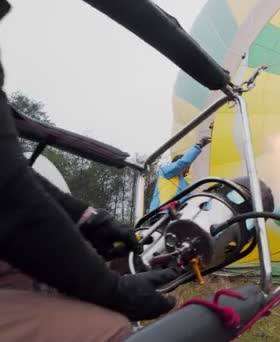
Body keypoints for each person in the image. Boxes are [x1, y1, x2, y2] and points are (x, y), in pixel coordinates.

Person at [0, 2, 184, 341]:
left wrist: (88, 218)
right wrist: (112, 292)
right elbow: (12, 203)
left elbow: (10, 173)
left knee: (55, 279)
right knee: (108, 327)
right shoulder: (172, 169)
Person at [148, 130, 212, 211]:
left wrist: (206, 197)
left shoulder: (184, 184)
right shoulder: (166, 171)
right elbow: (183, 163)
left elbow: (191, 201)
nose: (188, 170)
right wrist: (199, 145)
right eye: (187, 167)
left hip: (174, 218)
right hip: (159, 215)